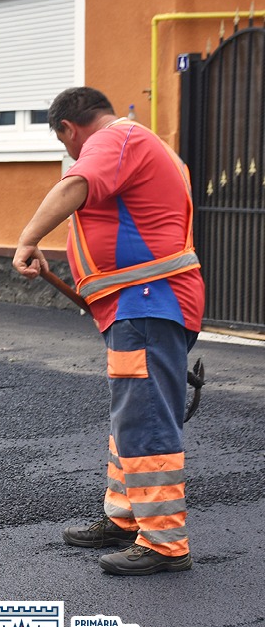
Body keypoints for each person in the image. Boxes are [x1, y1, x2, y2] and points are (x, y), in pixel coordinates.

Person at [12, 86, 205, 576]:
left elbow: (73, 186)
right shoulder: (147, 144)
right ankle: (126, 519)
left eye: (65, 145)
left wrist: (28, 239)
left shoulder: (112, 140)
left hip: (147, 303)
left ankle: (164, 542)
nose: (70, 154)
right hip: (143, 303)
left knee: (146, 420)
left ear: (68, 128)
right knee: (131, 415)